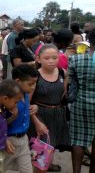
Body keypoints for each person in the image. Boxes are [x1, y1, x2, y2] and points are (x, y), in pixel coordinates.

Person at [29, 44, 70, 172]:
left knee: (50, 150)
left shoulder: (63, 73)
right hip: (40, 117)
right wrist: (36, 123)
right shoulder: (35, 76)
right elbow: (27, 103)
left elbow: (63, 96)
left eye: (54, 57)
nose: (51, 61)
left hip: (57, 116)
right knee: (40, 160)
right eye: (47, 58)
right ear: (38, 59)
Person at [68, 29, 95, 173]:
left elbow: (70, 82)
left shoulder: (76, 59)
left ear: (89, 41)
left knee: (78, 139)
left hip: (81, 102)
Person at [4, 64, 39, 173]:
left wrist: (35, 107)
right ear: (18, 82)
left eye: (35, 83)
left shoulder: (26, 93)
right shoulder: (7, 99)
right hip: (9, 141)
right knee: (5, 169)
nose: (33, 87)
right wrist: (4, 139)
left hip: (23, 139)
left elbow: (26, 109)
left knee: (27, 170)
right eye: (30, 84)